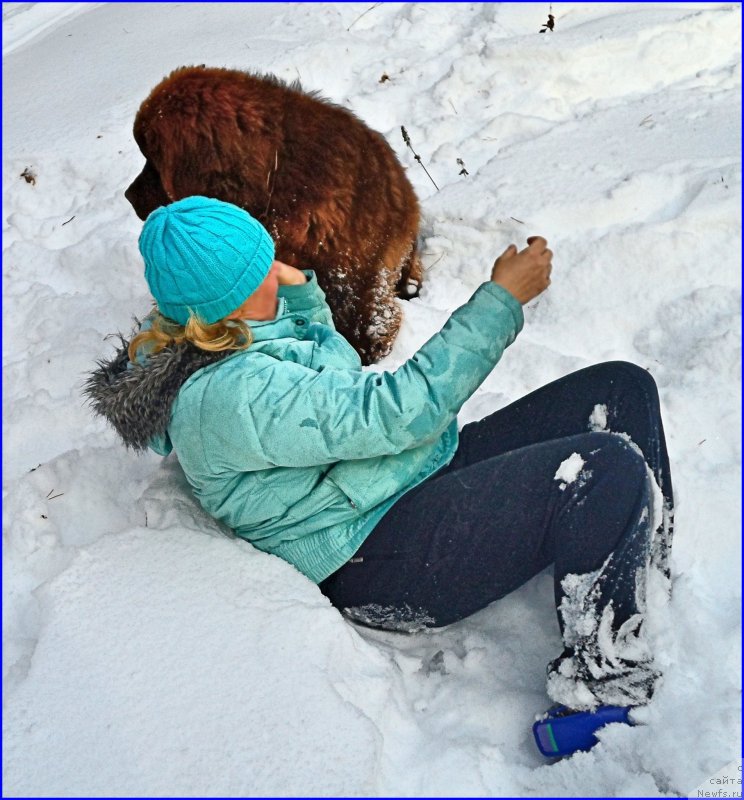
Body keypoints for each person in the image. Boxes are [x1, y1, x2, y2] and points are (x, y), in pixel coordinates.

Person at [86, 196, 674, 758]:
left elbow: (331, 384)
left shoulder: (231, 340)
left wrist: (300, 299)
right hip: (374, 554)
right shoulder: (231, 396)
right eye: (260, 269)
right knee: (601, 472)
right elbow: (393, 411)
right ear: (229, 303)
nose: (274, 269)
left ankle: (640, 564)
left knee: (620, 388)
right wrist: (500, 301)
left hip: (398, 481)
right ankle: (603, 693)